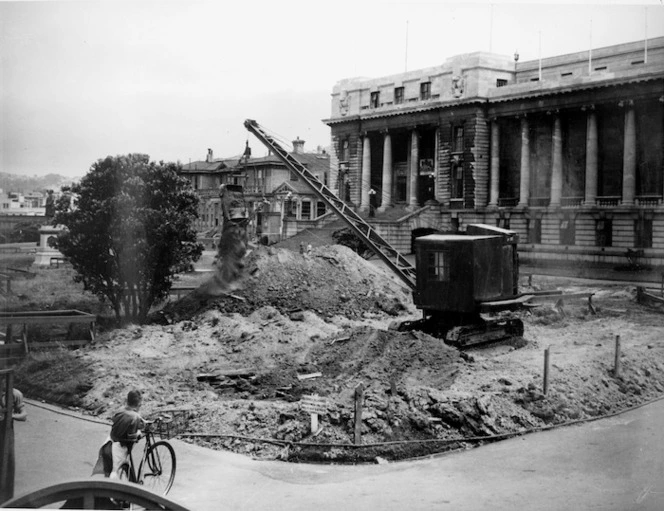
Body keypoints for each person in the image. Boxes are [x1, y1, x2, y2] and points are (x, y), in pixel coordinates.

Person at [108, 389, 145, 479]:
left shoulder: (119, 410)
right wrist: (138, 435)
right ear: (138, 404)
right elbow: (131, 436)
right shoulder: (135, 417)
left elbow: (115, 419)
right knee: (115, 472)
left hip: (111, 442)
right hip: (121, 446)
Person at [0, 383, 27, 502]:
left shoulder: (15, 394)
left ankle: (6, 500)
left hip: (5, 431)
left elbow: (24, 415)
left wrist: (11, 415)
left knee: (7, 463)